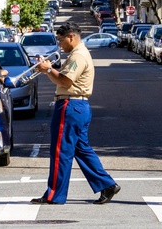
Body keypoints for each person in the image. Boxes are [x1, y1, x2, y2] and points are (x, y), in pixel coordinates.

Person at [32, 21, 120, 205]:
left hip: (69, 105)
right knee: (81, 149)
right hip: (78, 106)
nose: (59, 44)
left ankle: (54, 195)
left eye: (61, 40)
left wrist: (48, 68)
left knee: (60, 152)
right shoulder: (77, 53)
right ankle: (107, 185)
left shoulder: (77, 55)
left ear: (71, 36)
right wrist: (48, 70)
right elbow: (62, 79)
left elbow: (65, 82)